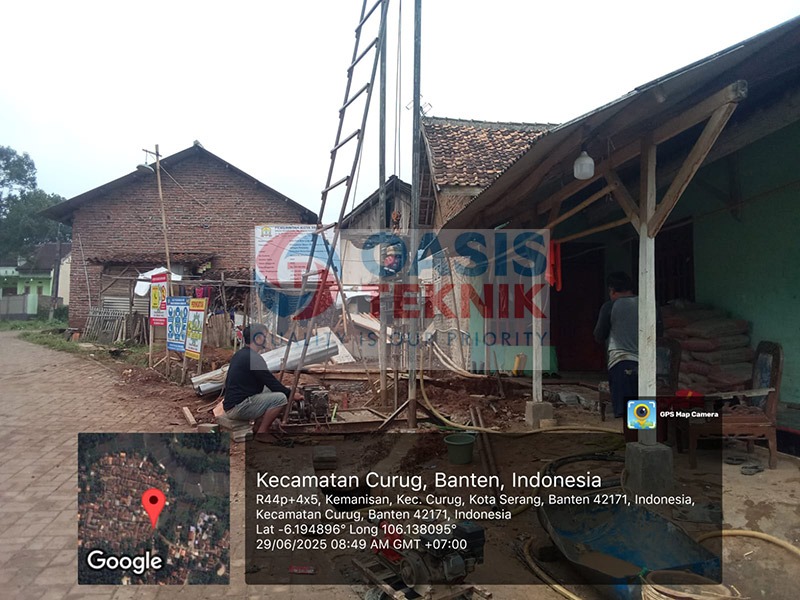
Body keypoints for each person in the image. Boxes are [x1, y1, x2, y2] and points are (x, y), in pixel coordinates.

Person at [223, 324, 302, 441]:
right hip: (238, 408)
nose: (266, 340)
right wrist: (291, 394)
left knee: (270, 390)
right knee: (280, 398)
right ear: (258, 338)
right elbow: (270, 381)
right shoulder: (253, 358)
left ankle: (257, 426)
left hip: (233, 404)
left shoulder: (241, 354)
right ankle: (262, 432)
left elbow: (268, 383)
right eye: (265, 336)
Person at [593, 272, 640, 419]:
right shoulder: (649, 304)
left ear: (612, 290)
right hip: (650, 364)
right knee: (642, 410)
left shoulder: (610, 307)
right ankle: (645, 431)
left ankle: (631, 433)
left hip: (621, 362)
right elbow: (659, 332)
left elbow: (599, 335)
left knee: (625, 412)